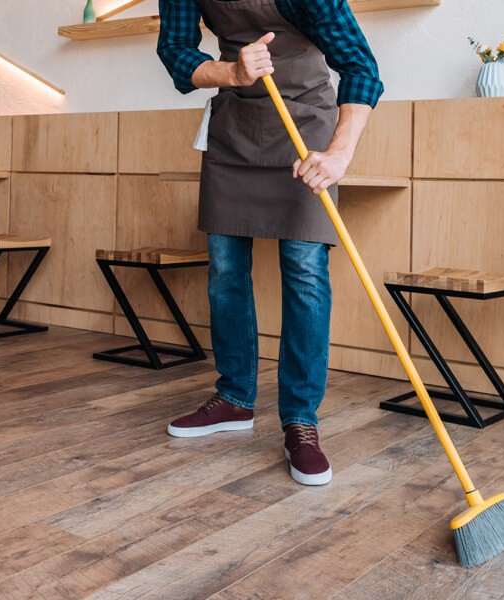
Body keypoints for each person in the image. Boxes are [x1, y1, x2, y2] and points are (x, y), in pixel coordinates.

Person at [157, 0, 383, 486]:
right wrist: (229, 73)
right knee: (224, 269)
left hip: (306, 128)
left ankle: (300, 418)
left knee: (304, 270)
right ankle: (235, 398)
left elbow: (362, 67)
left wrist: (340, 154)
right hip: (233, 126)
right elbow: (174, 50)